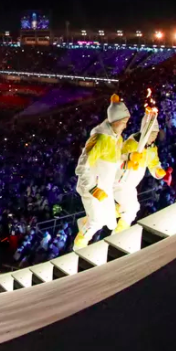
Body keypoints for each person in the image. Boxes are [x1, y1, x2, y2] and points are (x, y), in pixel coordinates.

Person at [73, 94, 130, 250]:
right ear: (116, 122)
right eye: (124, 123)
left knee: (111, 221)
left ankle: (84, 222)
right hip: (92, 188)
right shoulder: (99, 139)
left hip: (105, 187)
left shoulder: (117, 138)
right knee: (96, 223)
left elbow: (114, 160)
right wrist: (93, 188)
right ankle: (78, 249)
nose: (125, 126)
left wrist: (128, 158)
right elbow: (81, 167)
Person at [114, 118, 172, 230]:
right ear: (145, 133)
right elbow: (117, 159)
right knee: (130, 210)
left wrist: (158, 171)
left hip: (130, 186)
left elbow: (153, 163)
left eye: (156, 134)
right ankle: (118, 233)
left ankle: (99, 217)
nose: (154, 137)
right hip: (120, 182)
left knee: (133, 208)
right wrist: (129, 159)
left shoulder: (152, 148)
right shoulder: (131, 143)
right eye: (152, 134)